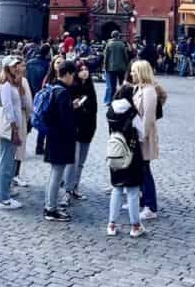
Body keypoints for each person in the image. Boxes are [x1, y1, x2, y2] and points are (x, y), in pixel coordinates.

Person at [0, 56, 26, 210]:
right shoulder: (6, 85)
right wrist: (14, 128)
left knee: (7, 162)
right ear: (7, 68)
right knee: (6, 163)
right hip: (9, 128)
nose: (17, 68)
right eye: (14, 66)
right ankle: (2, 198)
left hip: (12, 127)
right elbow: (8, 108)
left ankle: (2, 193)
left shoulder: (13, 83)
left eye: (17, 65)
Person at [106, 83, 147, 237]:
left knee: (116, 188)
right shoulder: (132, 113)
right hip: (131, 152)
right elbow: (142, 134)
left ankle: (112, 224)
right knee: (133, 190)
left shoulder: (110, 110)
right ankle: (135, 226)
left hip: (114, 151)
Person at [41, 61, 77, 222]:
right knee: (57, 174)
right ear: (68, 74)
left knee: (54, 173)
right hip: (61, 139)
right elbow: (66, 119)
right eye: (73, 75)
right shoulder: (62, 92)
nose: (73, 79)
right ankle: (51, 209)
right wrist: (72, 109)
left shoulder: (53, 88)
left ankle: (50, 205)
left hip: (53, 137)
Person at [62, 58, 97, 204]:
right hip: (75, 128)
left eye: (86, 70)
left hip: (87, 128)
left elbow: (94, 109)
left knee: (81, 162)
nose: (85, 72)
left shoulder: (90, 86)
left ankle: (75, 187)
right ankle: (67, 190)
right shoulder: (72, 87)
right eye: (81, 70)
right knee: (72, 162)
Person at [131, 60, 161, 220]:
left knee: (144, 170)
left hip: (144, 137)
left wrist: (142, 135)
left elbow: (148, 117)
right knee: (139, 169)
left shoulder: (149, 91)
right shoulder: (139, 88)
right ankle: (141, 201)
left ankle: (150, 205)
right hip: (138, 135)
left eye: (134, 71)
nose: (131, 74)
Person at [103, 30, 130, 105]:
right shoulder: (122, 44)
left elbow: (106, 57)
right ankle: (121, 98)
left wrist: (105, 67)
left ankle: (110, 101)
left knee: (111, 86)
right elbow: (126, 56)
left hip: (111, 68)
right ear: (118, 36)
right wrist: (127, 66)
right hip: (121, 68)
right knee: (121, 85)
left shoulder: (109, 44)